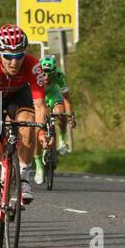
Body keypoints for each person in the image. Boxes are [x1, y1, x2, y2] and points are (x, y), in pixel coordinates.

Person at [0, 24, 52, 237]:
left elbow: (41, 105)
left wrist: (42, 132)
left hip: (18, 95)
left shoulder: (33, 66)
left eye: (19, 56)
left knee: (29, 123)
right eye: (8, 56)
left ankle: (23, 178)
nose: (14, 62)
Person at [33, 55, 76, 184]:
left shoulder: (59, 76)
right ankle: (39, 165)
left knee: (61, 113)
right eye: (44, 74)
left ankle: (62, 139)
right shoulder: (34, 74)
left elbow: (67, 98)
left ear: (55, 72)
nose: (46, 78)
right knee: (36, 130)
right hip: (37, 97)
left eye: (50, 74)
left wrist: (70, 116)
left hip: (52, 95)